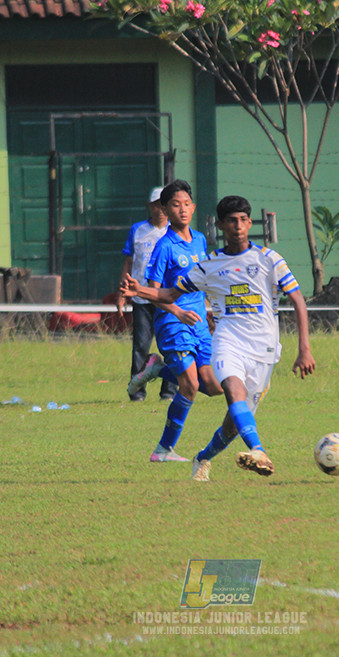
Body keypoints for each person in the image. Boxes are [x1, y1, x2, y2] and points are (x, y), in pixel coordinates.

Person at [121, 194, 316, 482]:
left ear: (249, 223)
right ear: (221, 226)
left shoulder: (269, 259)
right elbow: (171, 294)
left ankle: (203, 457)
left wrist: (304, 350)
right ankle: (259, 450)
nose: (238, 226)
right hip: (227, 343)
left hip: (264, 349)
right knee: (232, 391)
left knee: (232, 425)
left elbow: (298, 300)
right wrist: (139, 291)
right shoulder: (209, 265)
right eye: (231, 221)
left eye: (242, 220)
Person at [130, 179, 223, 462]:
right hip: (172, 324)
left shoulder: (199, 240)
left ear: (193, 208)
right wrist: (178, 311)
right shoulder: (163, 247)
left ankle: (157, 369)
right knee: (189, 386)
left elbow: (204, 281)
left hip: (198, 322)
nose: (182, 209)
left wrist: (209, 313)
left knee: (215, 387)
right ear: (165, 210)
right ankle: (163, 450)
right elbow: (154, 293)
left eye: (186, 204)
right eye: (175, 204)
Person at [116, 186, 178, 402]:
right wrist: (122, 292)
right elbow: (128, 261)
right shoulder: (138, 229)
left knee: (171, 344)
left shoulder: (176, 231)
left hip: (166, 298)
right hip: (142, 298)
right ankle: (137, 391)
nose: (159, 209)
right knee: (141, 345)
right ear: (150, 207)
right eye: (155, 205)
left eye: (163, 205)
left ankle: (169, 392)